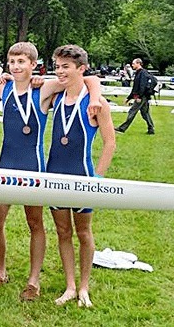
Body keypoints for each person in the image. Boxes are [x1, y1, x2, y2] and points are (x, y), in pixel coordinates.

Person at [0, 42, 104, 302]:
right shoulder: (4, 87)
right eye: (12, 62)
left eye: (21, 62)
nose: (16, 67)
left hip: (34, 167)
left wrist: (94, 97)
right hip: (6, 164)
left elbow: (88, 78)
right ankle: (0, 270)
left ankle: (33, 280)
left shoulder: (45, 88)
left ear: (33, 65)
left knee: (35, 223)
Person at [47, 44, 116, 306]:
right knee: (62, 231)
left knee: (84, 232)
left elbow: (110, 143)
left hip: (83, 175)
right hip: (55, 173)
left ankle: (85, 286)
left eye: (66, 67)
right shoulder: (55, 97)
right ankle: (70, 286)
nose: (60, 71)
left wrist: (97, 178)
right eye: (57, 66)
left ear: (81, 69)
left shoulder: (96, 104)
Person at [114, 58, 155, 135]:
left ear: (138, 63)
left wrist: (139, 97)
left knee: (132, 112)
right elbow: (135, 88)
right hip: (143, 96)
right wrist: (129, 98)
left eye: (133, 63)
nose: (132, 65)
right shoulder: (139, 73)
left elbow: (141, 87)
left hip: (141, 96)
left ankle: (122, 129)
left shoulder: (142, 73)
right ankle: (151, 129)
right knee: (145, 113)